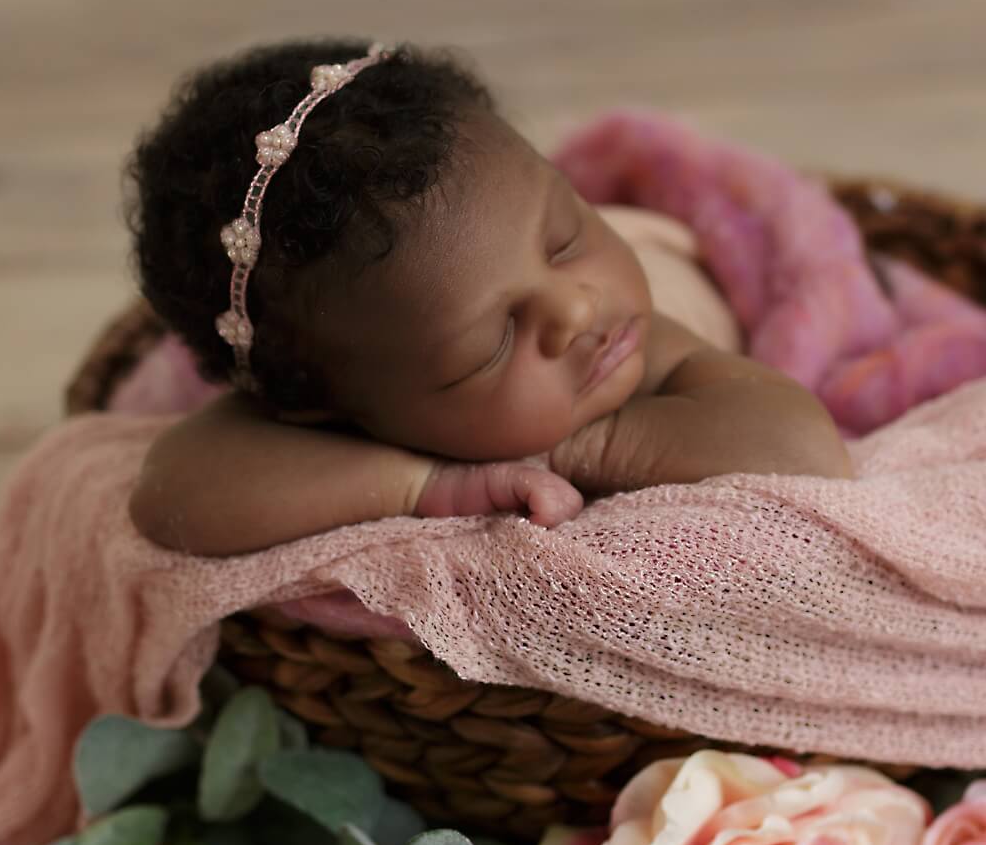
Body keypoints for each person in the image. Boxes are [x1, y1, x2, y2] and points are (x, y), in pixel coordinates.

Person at [123, 36, 854, 558]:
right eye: (493, 343)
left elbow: (799, 448)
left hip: (677, 262)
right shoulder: (337, 378)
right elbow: (170, 497)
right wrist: (427, 485)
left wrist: (567, 443)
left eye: (567, 236)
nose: (573, 308)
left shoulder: (631, 335)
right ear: (325, 406)